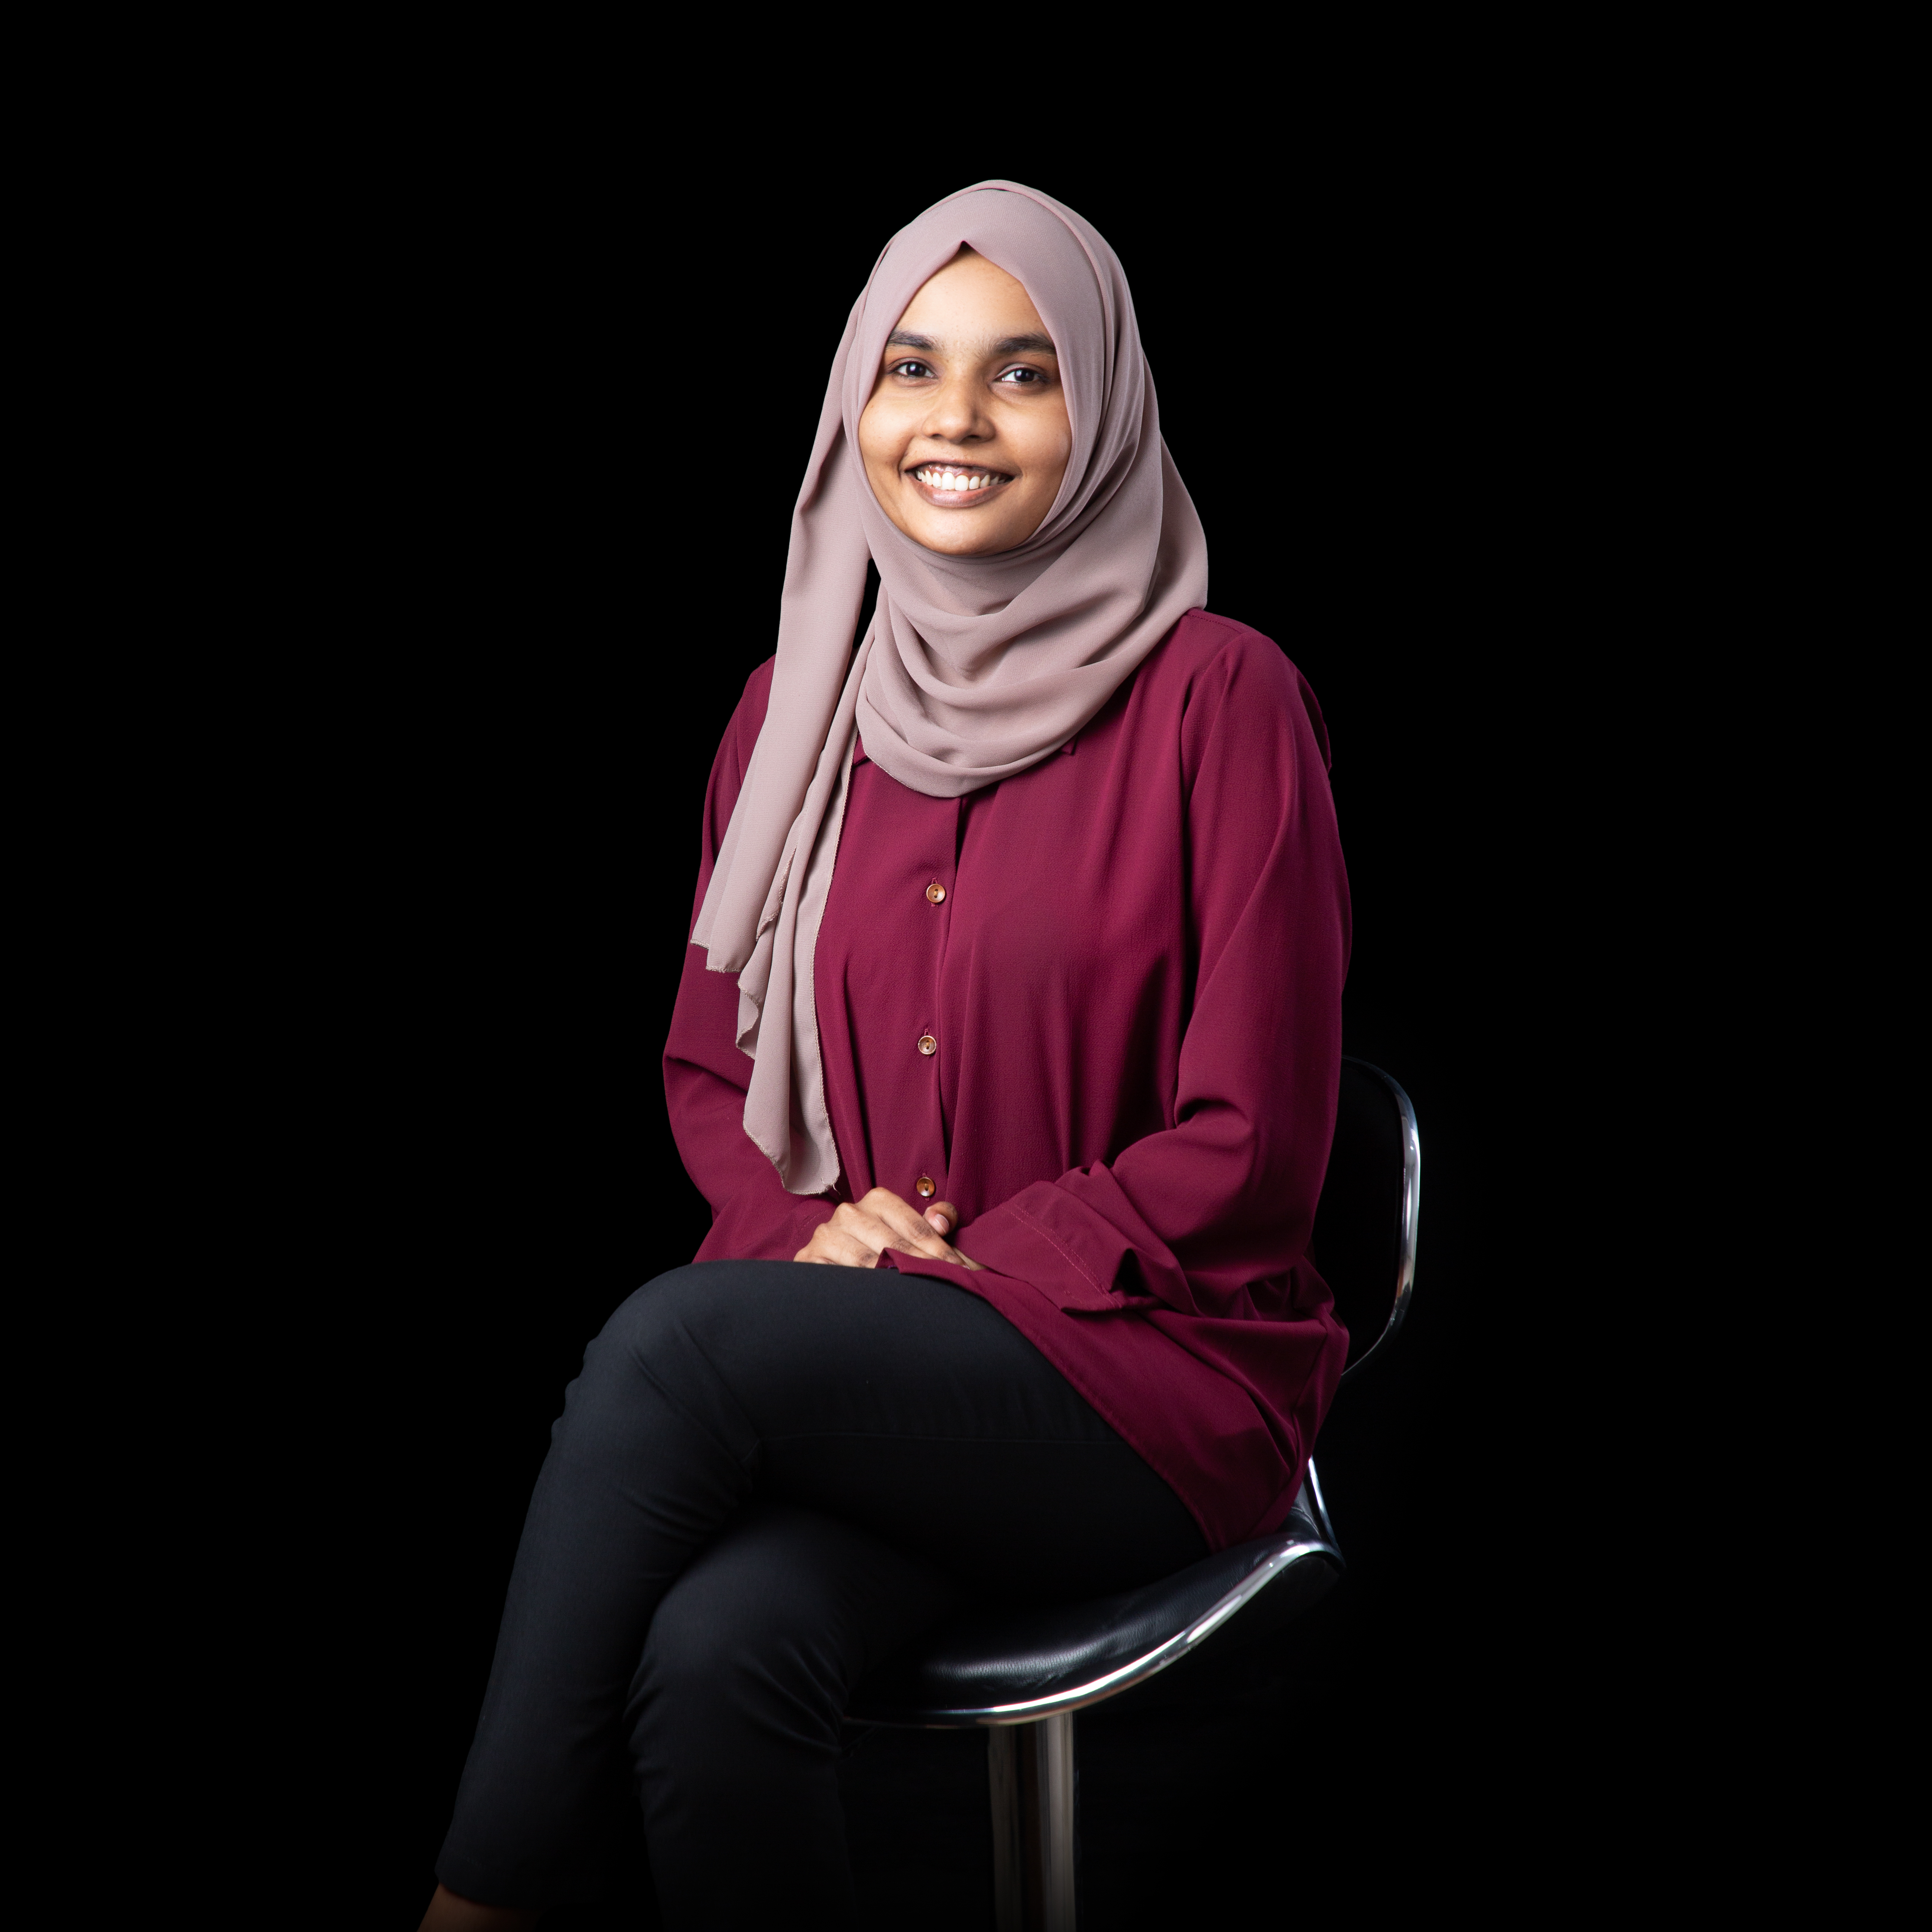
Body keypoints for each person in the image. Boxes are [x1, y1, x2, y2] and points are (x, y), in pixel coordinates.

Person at [421, 181, 1350, 1931]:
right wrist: (816, 1235)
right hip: (887, 1398)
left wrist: (957, 1266)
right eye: (912, 368)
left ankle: (478, 1907)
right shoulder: (792, 716)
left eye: (1022, 373)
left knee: (678, 1342)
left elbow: (1254, 1137)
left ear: (1102, 408)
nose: (956, 419)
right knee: (717, 1651)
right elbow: (716, 1073)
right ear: (854, 402)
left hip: (1148, 1380)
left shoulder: (1221, 701)